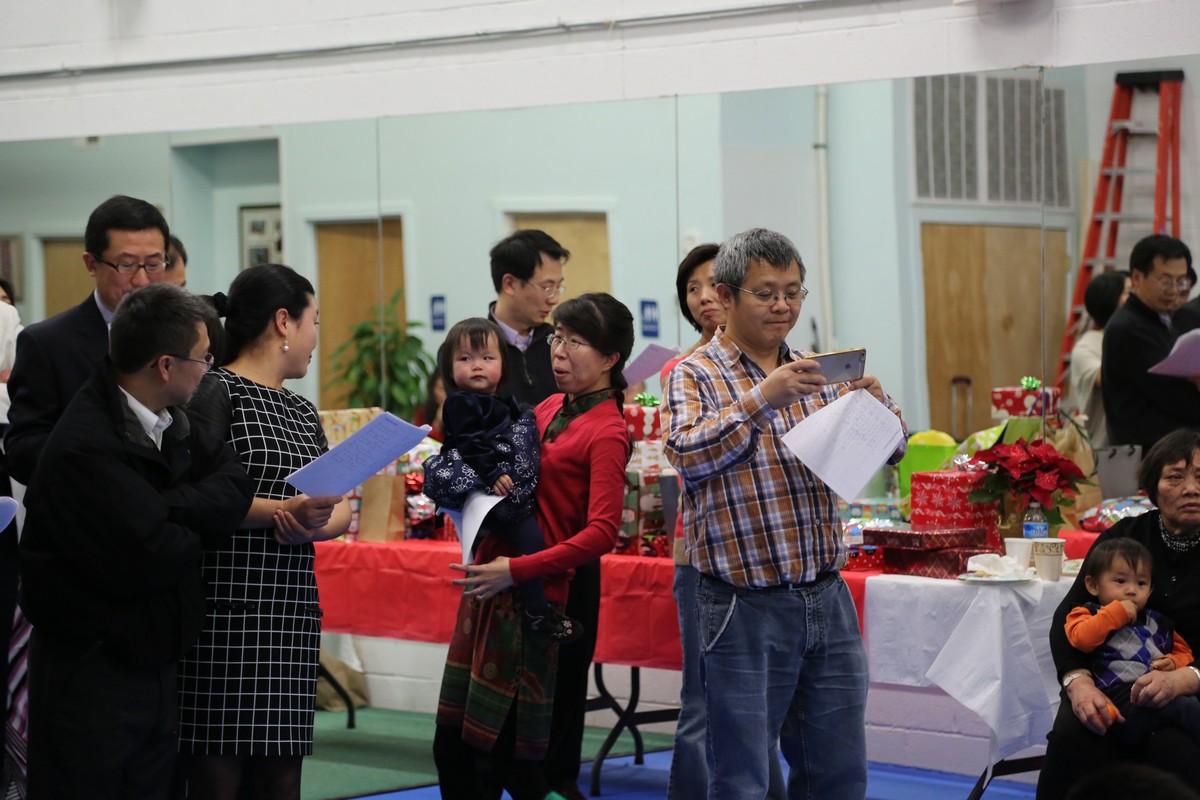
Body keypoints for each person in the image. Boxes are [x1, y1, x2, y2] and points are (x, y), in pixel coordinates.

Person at [664, 228, 906, 799]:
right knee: (742, 778)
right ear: (726, 296)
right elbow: (687, 455)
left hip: (826, 594)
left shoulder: (818, 370)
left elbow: (894, 450)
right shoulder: (695, 374)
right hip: (742, 604)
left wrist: (879, 407)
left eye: (793, 292)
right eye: (767, 293)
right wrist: (760, 400)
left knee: (838, 773)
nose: (783, 306)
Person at [18, 284, 253, 799]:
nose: (209, 369)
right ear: (165, 365)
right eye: (203, 358)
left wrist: (163, 504)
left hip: (155, 665)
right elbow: (152, 553)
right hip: (92, 670)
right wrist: (196, 523)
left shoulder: (174, 420)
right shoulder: (84, 444)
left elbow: (235, 486)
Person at [2, 193, 173, 798]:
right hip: (81, 581)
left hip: (163, 582)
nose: (143, 280)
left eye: (155, 263)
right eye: (127, 264)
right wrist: (104, 473)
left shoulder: (189, 338)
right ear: (91, 264)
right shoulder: (49, 342)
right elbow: (23, 448)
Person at [432, 292, 633, 800]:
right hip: (495, 581)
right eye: (557, 338)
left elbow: (602, 533)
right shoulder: (546, 407)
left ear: (610, 359)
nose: (558, 353)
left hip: (535, 588)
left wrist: (517, 570)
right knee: (454, 744)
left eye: (576, 342)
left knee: (504, 758)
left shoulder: (608, 430)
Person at [177, 263, 351, 799]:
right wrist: (284, 512)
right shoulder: (215, 389)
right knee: (218, 776)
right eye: (313, 321)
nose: (315, 337)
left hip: (290, 612)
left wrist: (310, 524)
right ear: (283, 322)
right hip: (227, 610)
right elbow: (194, 495)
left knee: (282, 780)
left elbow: (340, 509)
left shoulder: (302, 410)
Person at [658, 243, 787, 800]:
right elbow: (687, 454)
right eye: (693, 289)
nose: (705, 296)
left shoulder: (788, 365)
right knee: (704, 703)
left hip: (777, 558)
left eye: (713, 284)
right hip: (706, 554)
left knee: (767, 712)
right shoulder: (685, 372)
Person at [1039, 428, 1200, 797]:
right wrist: (1079, 683)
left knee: (1175, 748)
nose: (1191, 489)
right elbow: (1068, 616)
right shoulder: (1124, 536)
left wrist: (1187, 678)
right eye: (1175, 477)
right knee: (1074, 734)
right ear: (1152, 486)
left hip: (1188, 687)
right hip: (1106, 681)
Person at [422, 317, 580, 641]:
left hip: (501, 487)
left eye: (487, 357)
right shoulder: (459, 403)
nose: (476, 365)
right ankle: (537, 612)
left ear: (503, 366)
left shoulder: (501, 401)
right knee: (532, 539)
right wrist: (493, 472)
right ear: (449, 369)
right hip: (483, 489)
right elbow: (470, 443)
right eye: (464, 358)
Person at [1064, 537, 1200, 745]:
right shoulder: (1087, 613)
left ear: (1150, 590)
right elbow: (1082, 639)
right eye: (1120, 581)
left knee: (1186, 708)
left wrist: (1173, 662)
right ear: (1093, 585)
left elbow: (1185, 653)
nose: (1131, 590)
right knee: (1186, 708)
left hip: (1152, 692)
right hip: (1113, 694)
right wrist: (1116, 613)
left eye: (1141, 583)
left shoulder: (1159, 622)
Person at [1101, 234, 1200, 452]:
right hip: (1148, 457)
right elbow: (1175, 397)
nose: (1174, 290)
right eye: (1165, 281)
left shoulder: (1159, 318)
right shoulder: (1130, 328)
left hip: (1169, 450)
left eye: (1181, 281)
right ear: (1137, 277)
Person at [488, 229, 568, 408]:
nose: (554, 299)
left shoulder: (561, 344)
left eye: (558, 287)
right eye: (547, 288)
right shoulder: (469, 349)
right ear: (510, 284)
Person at [1069, 270, 1129, 448]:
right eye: (1129, 292)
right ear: (1110, 300)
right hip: (1106, 447)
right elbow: (1105, 378)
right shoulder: (1087, 345)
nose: (1136, 298)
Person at [413, 372, 446, 442]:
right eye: (442, 389)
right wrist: (437, 424)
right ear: (433, 388)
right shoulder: (422, 412)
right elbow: (419, 444)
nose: (447, 395)